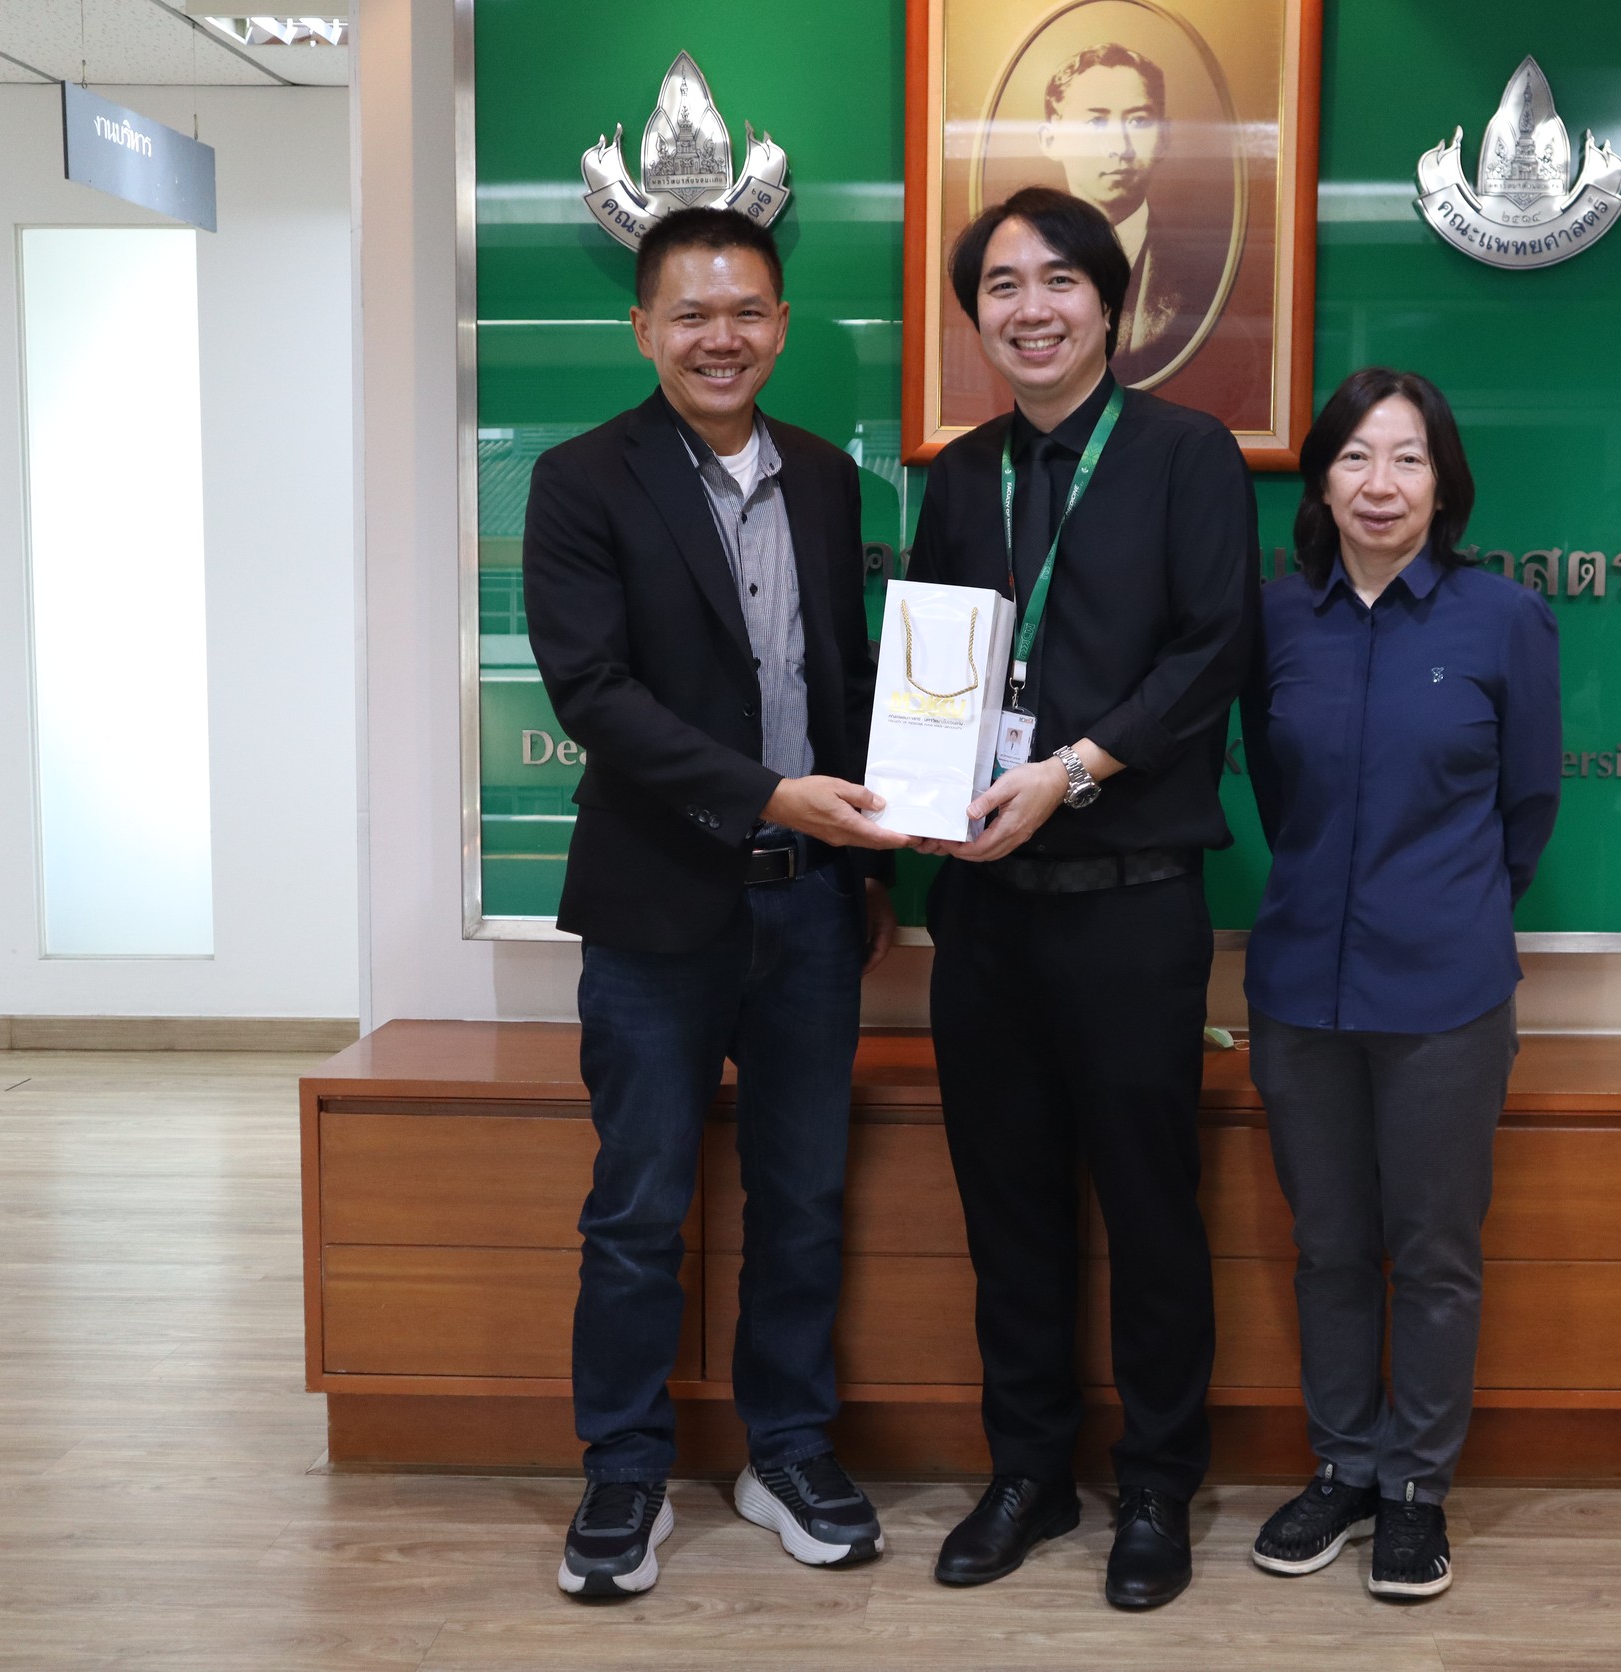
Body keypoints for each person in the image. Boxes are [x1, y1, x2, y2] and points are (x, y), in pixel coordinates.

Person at [522, 207, 910, 1600]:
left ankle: (785, 1449)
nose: (720, 338)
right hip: (656, 908)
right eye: (691, 315)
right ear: (644, 329)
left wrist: (871, 865)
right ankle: (624, 1467)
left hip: (810, 909)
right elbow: (595, 694)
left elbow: (843, 678)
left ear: (782, 325)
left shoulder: (827, 478)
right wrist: (769, 795)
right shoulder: (579, 480)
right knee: (637, 1208)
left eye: (746, 311)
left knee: (802, 1199)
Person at [908, 185, 1258, 1610]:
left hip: (1131, 902)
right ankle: (1030, 1471)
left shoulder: (1187, 456)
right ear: (977, 318)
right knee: (1008, 1209)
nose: (1031, 308)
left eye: (1059, 280)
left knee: (1150, 1211)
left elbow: (1214, 649)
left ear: (1110, 305)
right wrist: (926, 799)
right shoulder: (959, 475)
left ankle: (1158, 1486)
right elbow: (933, 669)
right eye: (1002, 287)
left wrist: (1071, 770)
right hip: (986, 912)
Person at [1238, 368, 1561, 1601]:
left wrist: (1445, 908)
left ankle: (1417, 1486)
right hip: (1299, 990)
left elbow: (1527, 806)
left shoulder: (1503, 620)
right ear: (1322, 480)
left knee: (1432, 1252)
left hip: (1446, 997)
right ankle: (1344, 1465)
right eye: (1357, 457)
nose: (1381, 484)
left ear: (1443, 482)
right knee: (1328, 1246)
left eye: (1408, 458)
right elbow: (1276, 790)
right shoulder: (1278, 619)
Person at [1036, 42, 1224, 388]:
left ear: (1164, 138)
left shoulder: (1202, 277)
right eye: (1096, 123)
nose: (1119, 147)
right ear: (1051, 139)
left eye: (1138, 122)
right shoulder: (1021, 272)